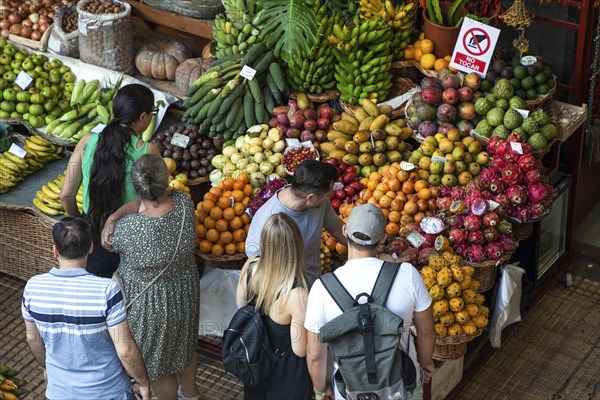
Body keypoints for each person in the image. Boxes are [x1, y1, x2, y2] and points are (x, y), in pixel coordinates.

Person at [304, 204, 436, 400]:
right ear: (383, 238)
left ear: (344, 231)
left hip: (350, 391)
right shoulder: (407, 274)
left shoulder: (322, 288)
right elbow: (427, 330)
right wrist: (425, 363)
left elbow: (315, 354)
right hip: (400, 385)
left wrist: (320, 389)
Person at [102, 154, 200, 400]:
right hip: (184, 294)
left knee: (158, 367)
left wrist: (112, 218)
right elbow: (146, 204)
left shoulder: (130, 229)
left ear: (136, 187)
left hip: (151, 306)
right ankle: (192, 394)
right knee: (184, 347)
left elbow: (110, 243)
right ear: (167, 180)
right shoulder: (185, 205)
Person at [21, 217, 151, 400]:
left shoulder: (33, 288)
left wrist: (47, 368)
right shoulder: (106, 290)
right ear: (91, 247)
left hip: (59, 393)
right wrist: (144, 383)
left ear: (55, 251)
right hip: (108, 393)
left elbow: (32, 339)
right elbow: (125, 350)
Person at [60, 83, 160, 278]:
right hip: (131, 244)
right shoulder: (148, 151)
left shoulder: (86, 141)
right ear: (143, 117)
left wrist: (81, 225)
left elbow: (65, 196)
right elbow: (154, 203)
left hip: (91, 240)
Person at [236, 213, 312, 400]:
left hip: (255, 363)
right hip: (286, 377)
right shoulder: (297, 295)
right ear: (296, 246)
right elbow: (299, 349)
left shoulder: (250, 267)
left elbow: (241, 308)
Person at [245, 159, 346, 287]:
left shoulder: (319, 202)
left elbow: (336, 226)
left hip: (312, 281)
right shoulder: (269, 222)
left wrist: (364, 248)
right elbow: (256, 269)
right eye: (328, 195)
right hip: (287, 294)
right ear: (311, 198)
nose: (329, 197)